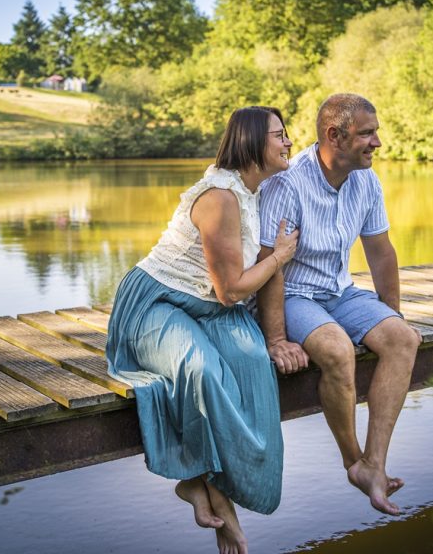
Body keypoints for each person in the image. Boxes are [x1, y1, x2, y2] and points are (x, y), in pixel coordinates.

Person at [105, 106, 296, 554]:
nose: (288, 142)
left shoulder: (254, 190)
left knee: (252, 366)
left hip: (207, 308)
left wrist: (276, 336)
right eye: (279, 135)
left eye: (287, 135)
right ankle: (207, 489)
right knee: (201, 369)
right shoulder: (220, 197)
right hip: (157, 301)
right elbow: (231, 291)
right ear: (251, 143)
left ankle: (217, 480)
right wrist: (280, 256)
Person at [256, 93, 422, 516]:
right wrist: (275, 337)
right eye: (367, 134)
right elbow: (268, 266)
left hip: (340, 290)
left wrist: (389, 315)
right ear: (335, 135)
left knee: (403, 339)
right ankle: (354, 462)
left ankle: (376, 463)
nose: (377, 143)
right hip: (292, 291)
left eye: (375, 132)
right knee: (336, 349)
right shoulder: (287, 184)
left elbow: (381, 252)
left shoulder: (366, 179)